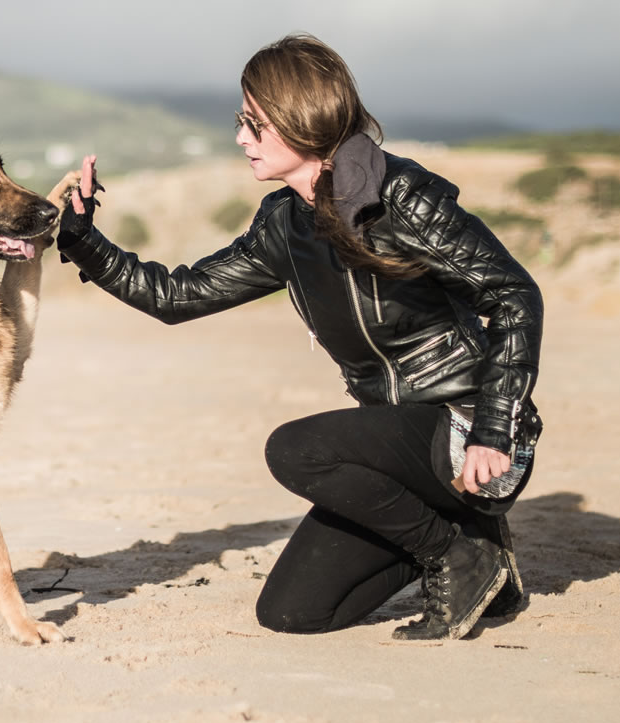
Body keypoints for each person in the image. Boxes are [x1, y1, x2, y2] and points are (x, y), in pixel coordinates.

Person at [54, 34, 543, 641]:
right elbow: (177, 297)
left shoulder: (402, 199)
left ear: (300, 119)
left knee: (295, 448)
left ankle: (459, 555)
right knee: (294, 612)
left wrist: (494, 429)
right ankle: (474, 551)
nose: (240, 138)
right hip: (393, 449)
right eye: (241, 121)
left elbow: (514, 296)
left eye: (253, 124)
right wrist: (82, 240)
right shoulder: (284, 224)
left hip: (468, 431)